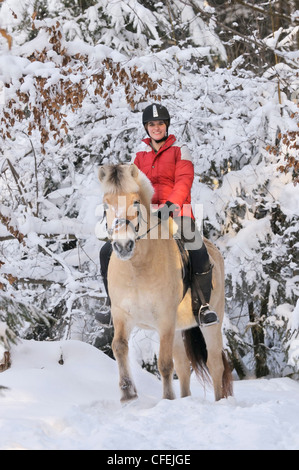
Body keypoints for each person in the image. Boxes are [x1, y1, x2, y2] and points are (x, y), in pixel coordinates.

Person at [100, 103, 219, 326]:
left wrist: (170, 205)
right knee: (106, 250)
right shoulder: (140, 155)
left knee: (197, 248)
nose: (156, 128)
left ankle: (203, 306)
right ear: (147, 127)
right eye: (152, 124)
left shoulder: (180, 150)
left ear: (166, 126)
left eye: (160, 124)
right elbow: (132, 188)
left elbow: (184, 181)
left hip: (177, 212)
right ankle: (110, 304)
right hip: (146, 217)